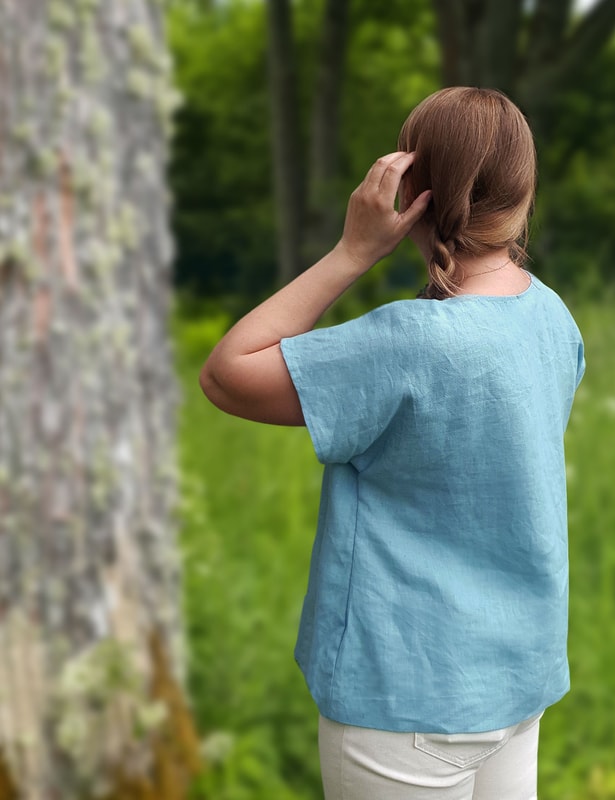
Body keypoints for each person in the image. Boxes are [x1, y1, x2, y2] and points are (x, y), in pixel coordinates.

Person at [200, 87, 585, 800]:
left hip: (404, 695)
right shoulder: (551, 318)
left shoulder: (407, 344)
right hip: (516, 681)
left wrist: (352, 252)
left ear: (410, 189)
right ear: (524, 190)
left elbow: (226, 375)